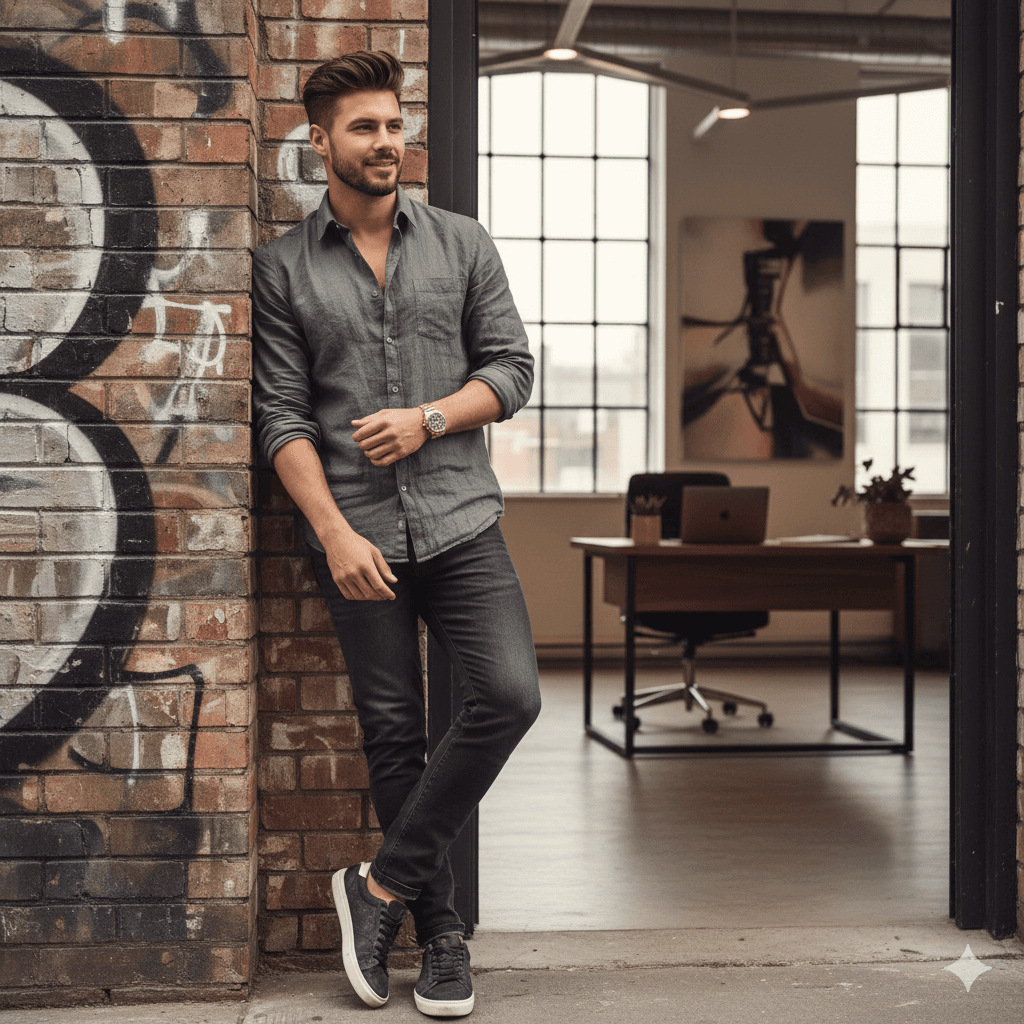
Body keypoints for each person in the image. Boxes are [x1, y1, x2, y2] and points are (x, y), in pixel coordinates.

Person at [251, 49, 541, 1018]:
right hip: (358, 534)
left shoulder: (461, 244)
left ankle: (376, 889)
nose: (386, 142)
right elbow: (282, 419)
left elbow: (511, 369)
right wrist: (331, 532)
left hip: (461, 519)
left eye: (393, 124)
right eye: (364, 127)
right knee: (394, 736)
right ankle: (442, 936)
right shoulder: (283, 268)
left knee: (506, 694)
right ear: (320, 140)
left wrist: (429, 418)